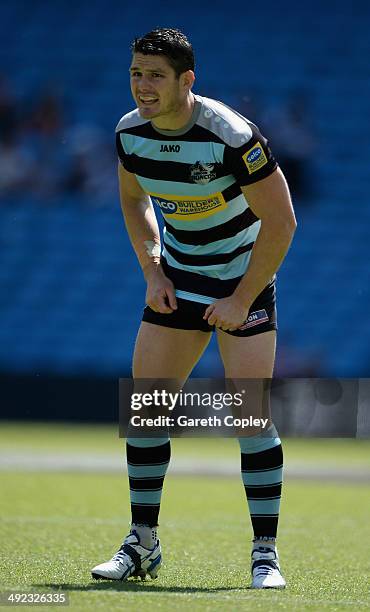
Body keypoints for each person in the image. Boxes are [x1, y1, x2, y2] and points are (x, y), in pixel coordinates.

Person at [91, 28, 296, 589]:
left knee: (250, 417)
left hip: (242, 280)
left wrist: (240, 297)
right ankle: (142, 543)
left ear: (187, 80)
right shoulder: (129, 133)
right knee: (147, 408)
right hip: (179, 281)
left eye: (155, 74)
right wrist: (153, 270)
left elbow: (281, 223)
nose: (143, 85)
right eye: (136, 73)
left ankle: (265, 554)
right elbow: (133, 199)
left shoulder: (231, 135)